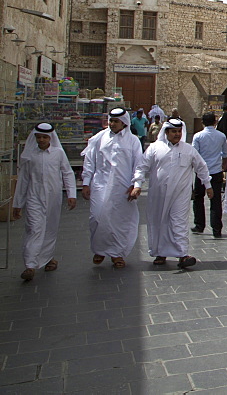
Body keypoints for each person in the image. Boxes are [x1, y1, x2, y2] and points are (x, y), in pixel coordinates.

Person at [130, 118, 212, 268]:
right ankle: (160, 253)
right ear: (166, 132)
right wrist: (137, 184)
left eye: (179, 131)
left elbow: (201, 167)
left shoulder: (188, 149)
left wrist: (208, 185)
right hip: (158, 194)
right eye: (173, 131)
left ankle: (182, 254)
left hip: (180, 194)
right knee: (159, 222)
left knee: (178, 222)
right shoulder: (155, 148)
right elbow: (142, 167)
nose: (177, 134)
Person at [12, 123, 77, 281]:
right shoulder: (29, 155)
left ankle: (47, 259)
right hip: (34, 197)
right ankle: (30, 265)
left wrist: (72, 194)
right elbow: (23, 180)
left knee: (50, 229)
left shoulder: (58, 153)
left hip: (53, 198)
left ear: (50, 138)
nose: (41, 140)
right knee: (34, 229)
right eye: (39, 137)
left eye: (45, 137)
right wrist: (17, 204)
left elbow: (67, 173)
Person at [81, 107, 144, 269]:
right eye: (111, 120)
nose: (112, 123)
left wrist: (136, 185)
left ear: (124, 123)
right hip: (100, 186)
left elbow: (139, 165)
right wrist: (86, 182)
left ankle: (117, 253)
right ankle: (100, 249)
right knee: (97, 218)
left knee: (119, 222)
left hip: (122, 187)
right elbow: (90, 161)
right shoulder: (98, 139)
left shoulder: (133, 141)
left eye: (116, 121)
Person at [191, 112, 227, 238]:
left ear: (203, 122)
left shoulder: (198, 136)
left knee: (198, 198)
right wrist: (223, 165)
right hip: (216, 171)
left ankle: (199, 225)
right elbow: (225, 153)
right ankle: (216, 229)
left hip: (201, 172)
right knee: (216, 201)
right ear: (215, 122)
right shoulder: (221, 136)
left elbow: (194, 155)